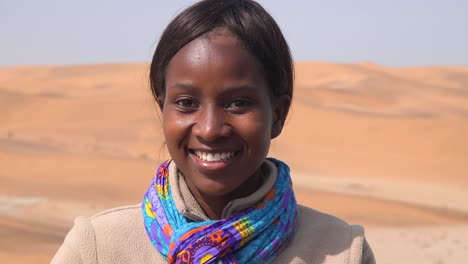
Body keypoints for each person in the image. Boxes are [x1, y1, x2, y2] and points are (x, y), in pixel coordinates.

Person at [52, 0, 375, 263]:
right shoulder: (97, 248)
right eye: (186, 102)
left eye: (237, 103)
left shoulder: (341, 250)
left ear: (277, 114)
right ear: (162, 108)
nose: (209, 129)